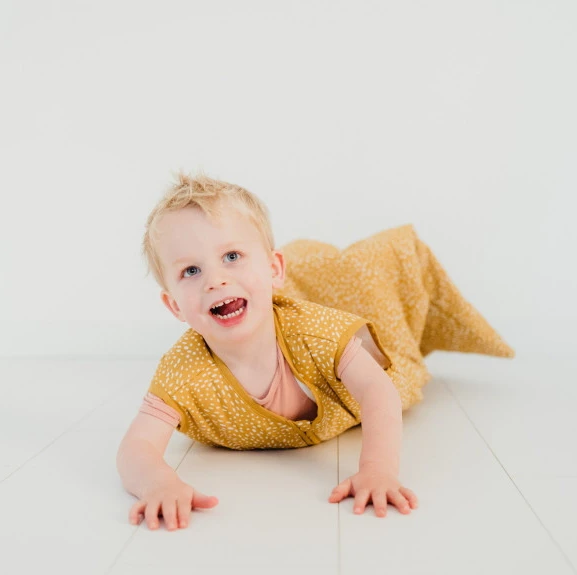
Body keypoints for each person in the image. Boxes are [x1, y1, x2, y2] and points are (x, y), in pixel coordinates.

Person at [117, 171, 514, 532]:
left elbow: (378, 392)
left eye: (232, 257)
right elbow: (137, 447)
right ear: (174, 306)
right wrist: (158, 483)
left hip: (331, 350)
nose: (215, 280)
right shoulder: (182, 371)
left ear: (274, 270)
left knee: (390, 340)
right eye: (191, 271)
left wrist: (377, 470)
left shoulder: (314, 333)